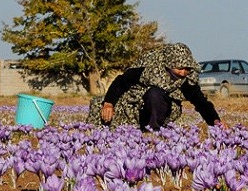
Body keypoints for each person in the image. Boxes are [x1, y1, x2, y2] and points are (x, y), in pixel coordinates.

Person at [88, 42, 226, 130]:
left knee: (155, 94)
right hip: (137, 105)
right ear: (169, 64)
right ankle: (140, 127)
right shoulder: (149, 70)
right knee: (153, 93)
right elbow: (121, 81)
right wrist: (109, 103)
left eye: (187, 68)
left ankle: (154, 129)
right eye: (179, 68)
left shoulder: (187, 81)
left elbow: (201, 103)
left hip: (165, 110)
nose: (183, 72)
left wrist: (215, 121)